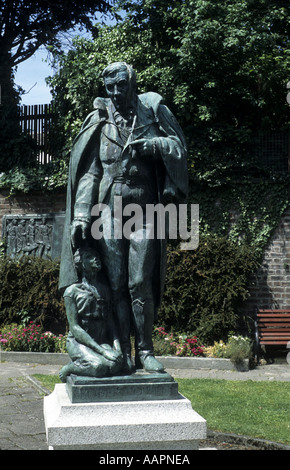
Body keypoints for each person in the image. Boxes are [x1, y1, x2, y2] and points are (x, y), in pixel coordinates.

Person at [59, 62, 188, 374]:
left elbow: (179, 147)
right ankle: (124, 352)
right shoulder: (99, 121)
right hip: (108, 212)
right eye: (110, 87)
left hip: (145, 211)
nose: (116, 92)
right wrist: (80, 214)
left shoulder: (154, 110)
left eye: (121, 85)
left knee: (140, 281)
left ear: (132, 83)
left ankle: (146, 350)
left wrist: (155, 145)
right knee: (115, 285)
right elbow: (89, 173)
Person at [59, 247, 123, 382]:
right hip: (79, 342)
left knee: (117, 364)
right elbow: (75, 328)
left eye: (96, 256)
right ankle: (71, 368)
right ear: (81, 264)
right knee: (98, 366)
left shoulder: (104, 289)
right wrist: (103, 351)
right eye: (89, 257)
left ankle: (93, 361)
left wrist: (117, 348)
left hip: (100, 340)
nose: (96, 259)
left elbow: (110, 321)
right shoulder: (72, 292)